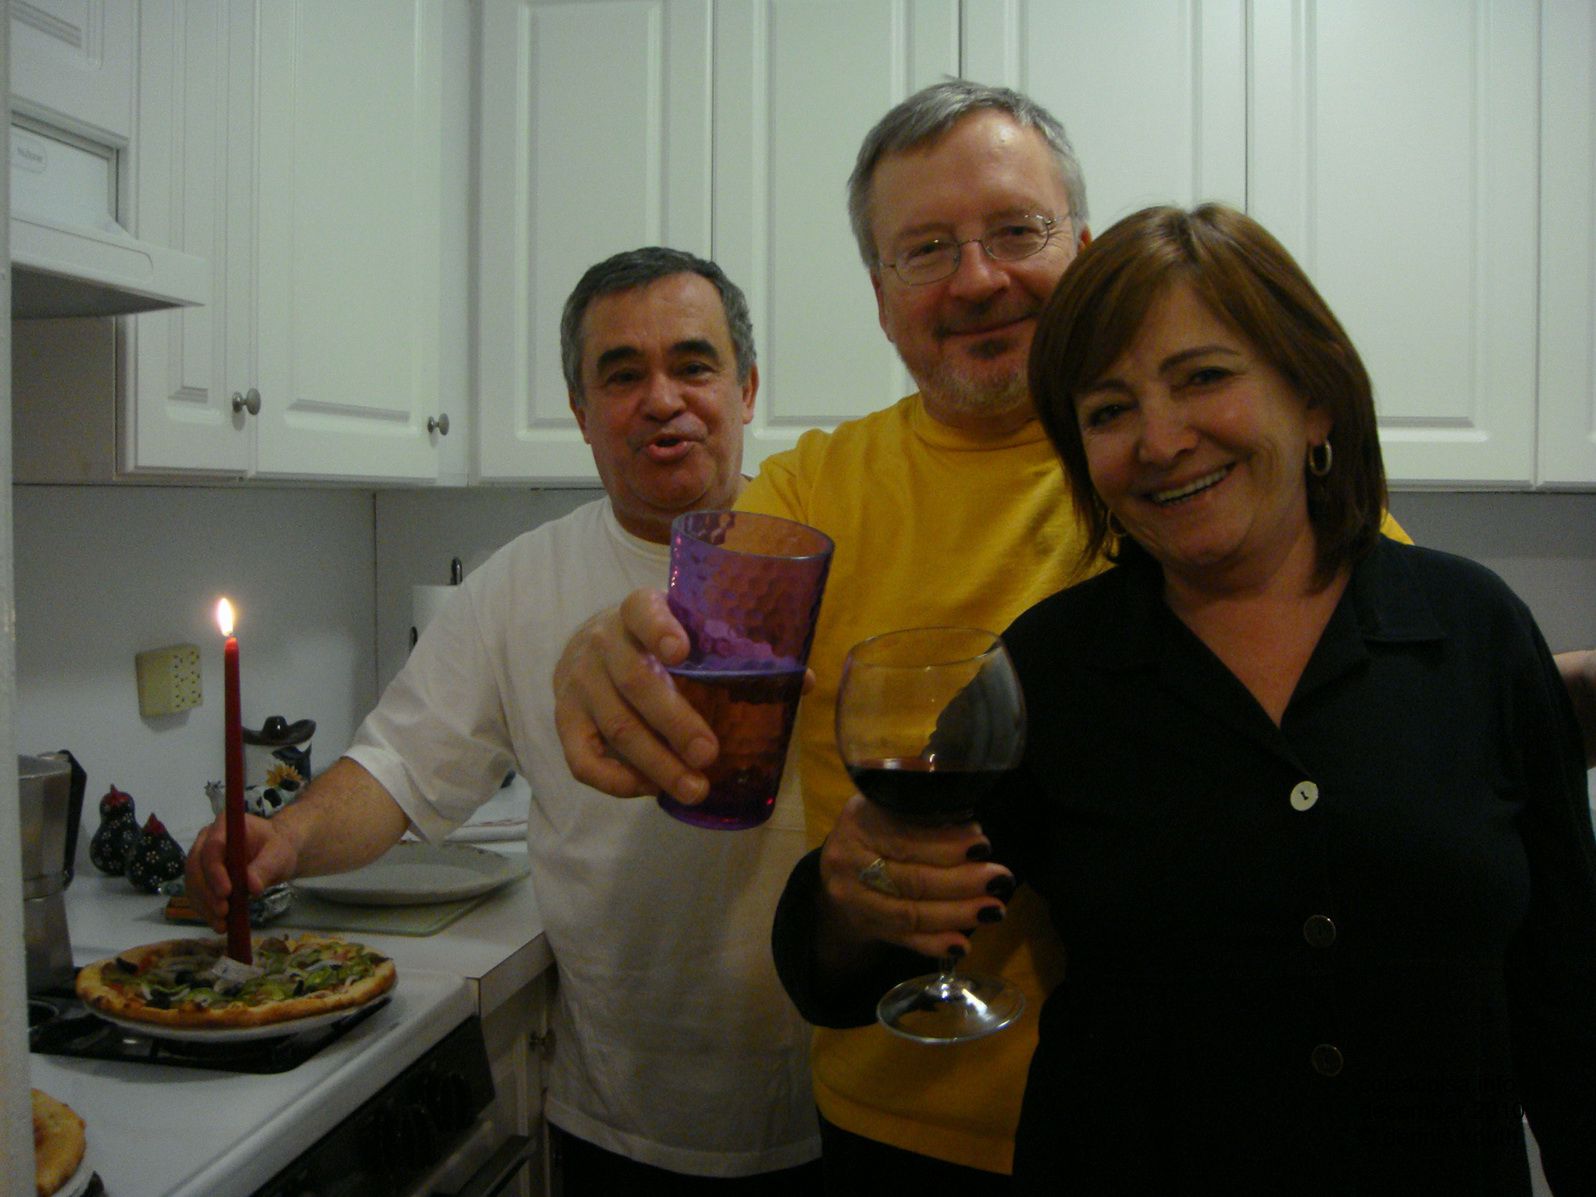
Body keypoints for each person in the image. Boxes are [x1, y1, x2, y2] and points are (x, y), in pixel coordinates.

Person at [550, 82, 1595, 1187]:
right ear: (878, 292)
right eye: (925, 249)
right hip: (914, 1129)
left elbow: (1408, 721)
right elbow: (687, 641)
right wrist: (600, 657)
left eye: (1015, 231)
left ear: (1086, 248)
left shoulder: (1277, 515)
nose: (979, 277)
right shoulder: (821, 500)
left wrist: (1551, 694)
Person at [778, 204, 1596, 1195]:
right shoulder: (1055, 665)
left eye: (1203, 378)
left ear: (1315, 397)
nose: (1159, 441)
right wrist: (848, 895)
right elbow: (843, 975)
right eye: (1109, 409)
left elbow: (1567, 992)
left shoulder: (1473, 631)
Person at [185, 247, 822, 1194]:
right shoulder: (517, 584)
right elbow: (399, 763)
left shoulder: (823, 553)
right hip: (619, 1108)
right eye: (622, 373)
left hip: (827, 1095)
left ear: (747, 389)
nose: (662, 398)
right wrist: (282, 840)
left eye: (694, 363)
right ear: (580, 412)